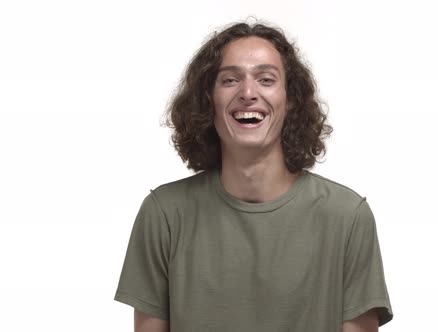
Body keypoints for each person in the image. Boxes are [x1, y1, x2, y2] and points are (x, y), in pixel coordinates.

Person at [114, 21, 393, 332]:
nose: (248, 93)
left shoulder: (347, 218)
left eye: (266, 79)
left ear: (289, 101)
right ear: (209, 101)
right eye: (230, 80)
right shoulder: (164, 214)